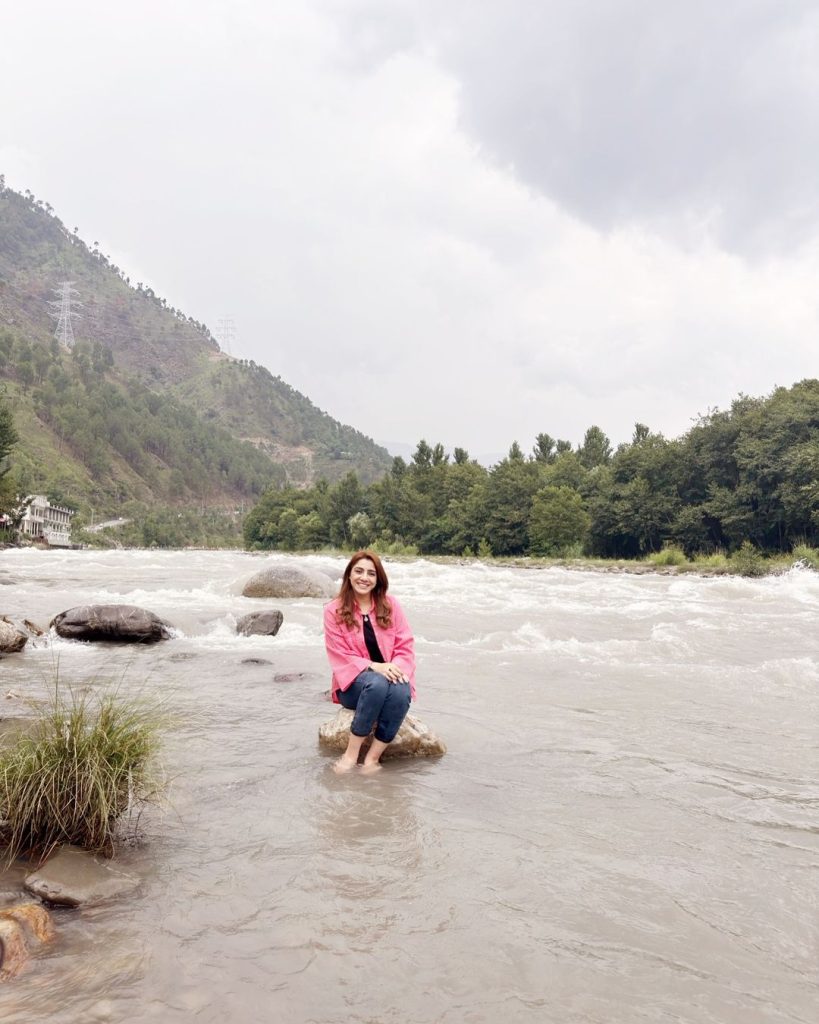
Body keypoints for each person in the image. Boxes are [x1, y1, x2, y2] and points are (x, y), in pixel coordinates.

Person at [323, 550, 416, 772]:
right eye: (359, 571)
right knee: (377, 683)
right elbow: (339, 654)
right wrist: (375, 666)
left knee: (403, 688)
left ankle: (372, 759)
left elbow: (405, 645)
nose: (364, 578)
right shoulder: (333, 610)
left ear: (378, 579)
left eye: (371, 573)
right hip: (353, 684)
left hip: (387, 679)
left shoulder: (391, 605)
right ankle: (351, 754)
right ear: (349, 575)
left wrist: (397, 669)